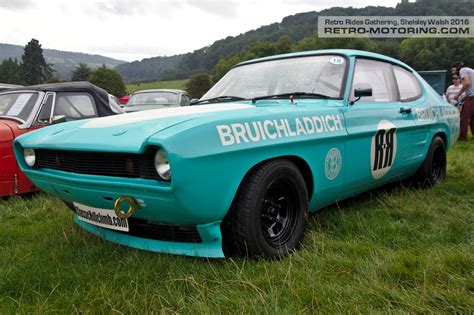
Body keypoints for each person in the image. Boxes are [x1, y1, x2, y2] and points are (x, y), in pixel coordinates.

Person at [451, 62, 474, 141]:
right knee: (473, 117)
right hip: (471, 97)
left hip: (472, 97)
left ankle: (462, 137)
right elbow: (471, 90)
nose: (453, 72)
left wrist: (458, 94)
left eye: (453, 70)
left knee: (464, 117)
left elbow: (467, 83)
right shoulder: (470, 70)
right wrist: (462, 99)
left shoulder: (462, 70)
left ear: (458, 67)